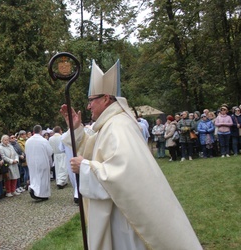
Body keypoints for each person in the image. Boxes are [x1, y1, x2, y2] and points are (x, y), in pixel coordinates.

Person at [60, 60, 201, 249]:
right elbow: (93, 149)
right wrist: (76, 129)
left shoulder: (118, 126)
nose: (88, 106)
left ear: (106, 98)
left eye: (91, 100)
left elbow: (124, 172)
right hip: (118, 209)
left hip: (124, 216)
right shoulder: (109, 124)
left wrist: (85, 167)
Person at [25, 125, 53, 201]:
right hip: (42, 161)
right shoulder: (43, 140)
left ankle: (33, 189)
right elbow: (50, 152)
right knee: (43, 179)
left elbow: (26, 152)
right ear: (40, 131)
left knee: (34, 177)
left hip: (32, 162)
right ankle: (42, 194)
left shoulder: (28, 141)